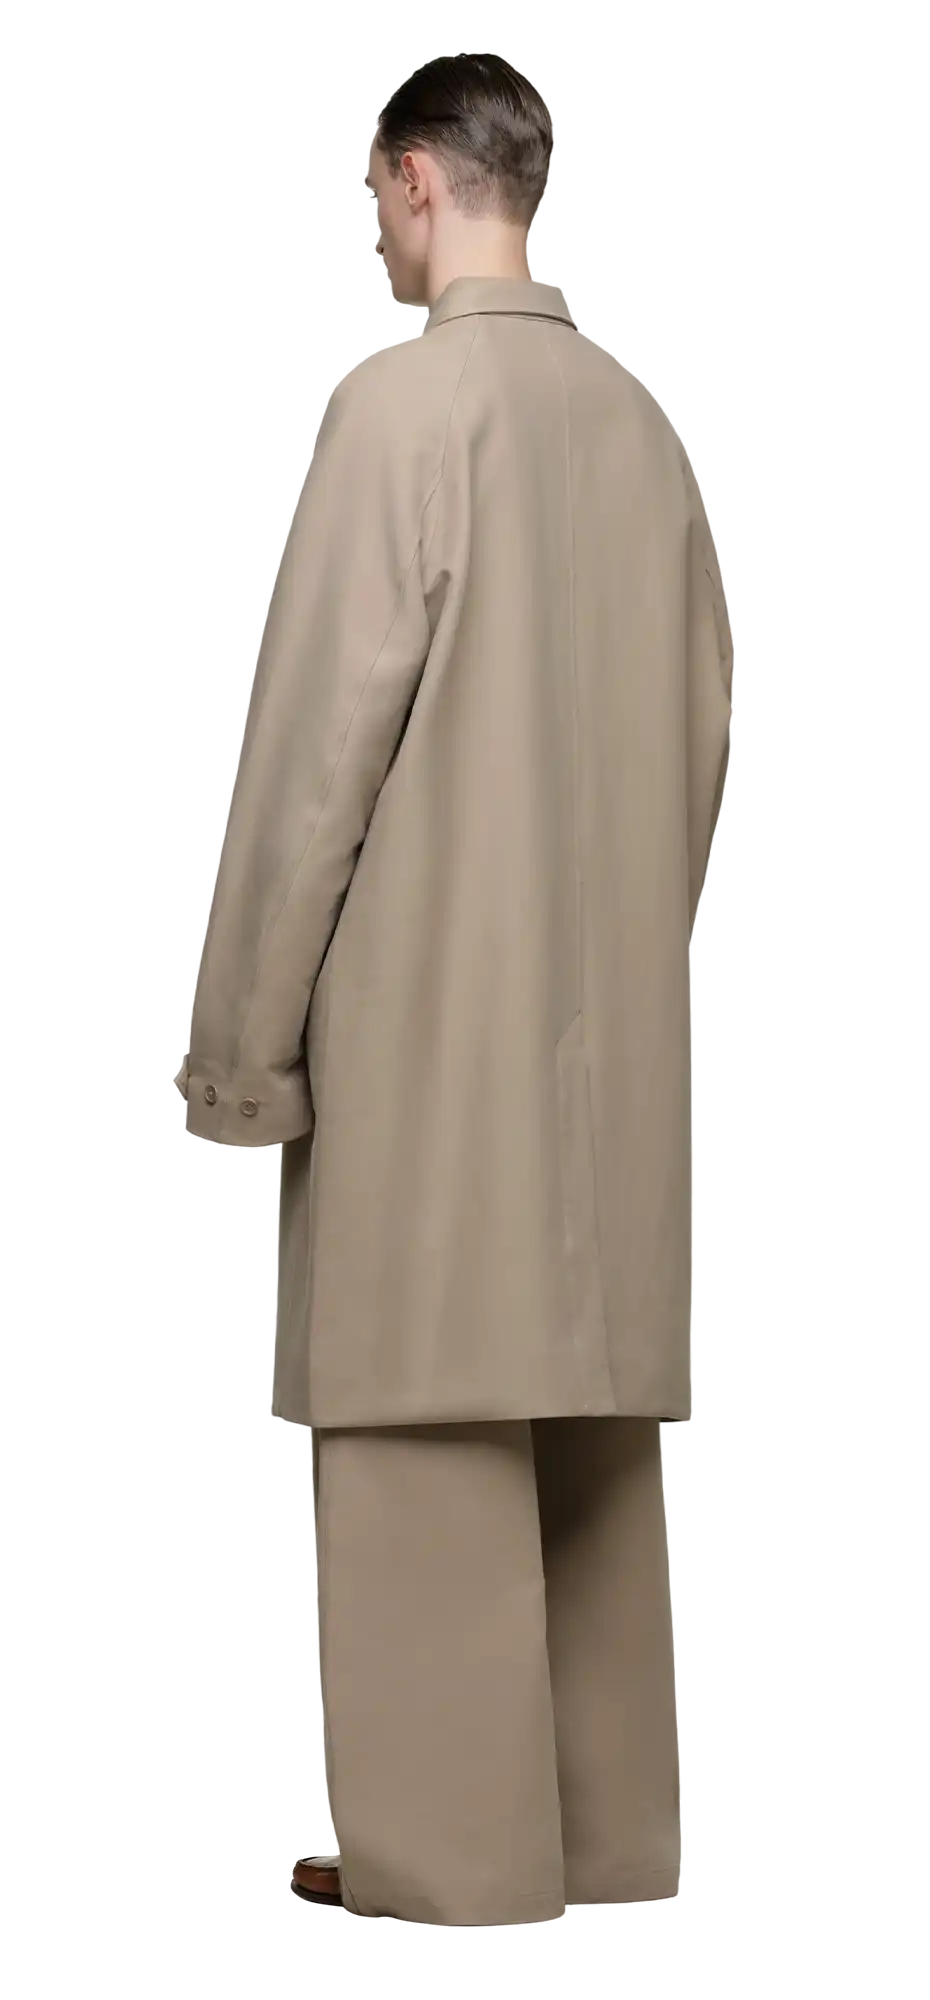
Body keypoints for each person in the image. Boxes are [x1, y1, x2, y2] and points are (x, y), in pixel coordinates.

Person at [173, 51, 734, 1925]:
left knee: (421, 1437)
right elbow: (702, 743)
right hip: (609, 1053)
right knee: (588, 1450)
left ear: (418, 179)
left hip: (427, 1040)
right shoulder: (640, 430)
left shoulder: (398, 412)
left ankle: (458, 1865)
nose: (371, 238)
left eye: (369, 199)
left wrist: (238, 1053)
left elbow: (308, 767)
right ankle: (604, 1844)